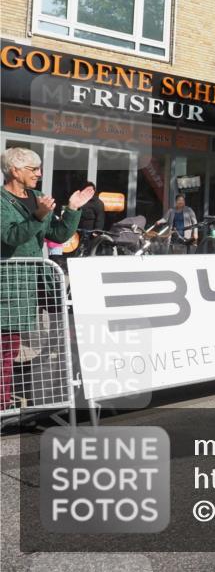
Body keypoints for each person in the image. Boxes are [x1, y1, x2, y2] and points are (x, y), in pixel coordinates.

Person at [1, 148, 93, 410]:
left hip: (31, 284)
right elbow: (10, 237)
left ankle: (13, 401)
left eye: (39, 168)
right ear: (14, 170)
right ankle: (2, 405)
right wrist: (38, 215)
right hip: (7, 284)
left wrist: (73, 209)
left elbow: (58, 234)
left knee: (16, 347)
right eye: (33, 169)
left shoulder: (38, 197)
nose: (39, 174)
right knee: (5, 350)